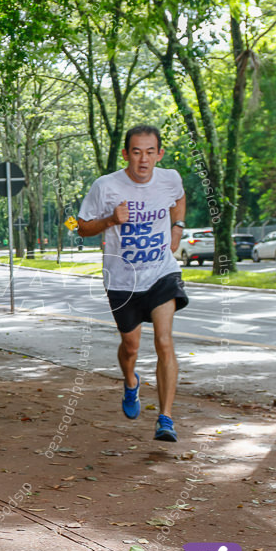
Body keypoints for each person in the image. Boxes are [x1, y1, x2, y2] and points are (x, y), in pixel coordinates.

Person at [77, 124, 188, 442]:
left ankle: (165, 418)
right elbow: (80, 226)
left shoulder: (170, 179)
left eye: (150, 152)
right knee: (131, 347)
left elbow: (178, 200)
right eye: (136, 152)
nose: (143, 160)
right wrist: (111, 219)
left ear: (159, 154)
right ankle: (130, 382)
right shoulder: (106, 186)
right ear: (126, 154)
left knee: (164, 342)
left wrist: (177, 228)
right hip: (122, 280)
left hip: (161, 273)